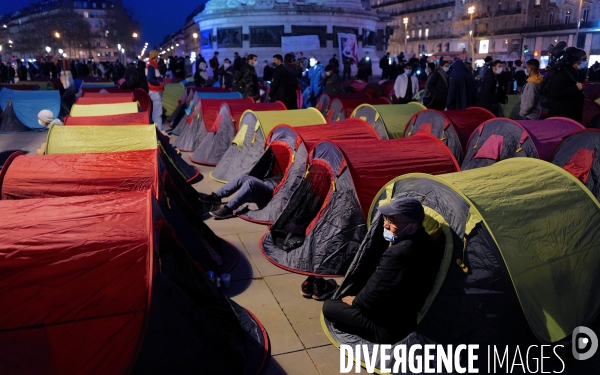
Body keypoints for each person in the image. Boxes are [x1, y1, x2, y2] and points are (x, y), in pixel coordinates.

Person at [322, 197, 443, 344]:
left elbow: (373, 294)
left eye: (392, 221)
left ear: (412, 227)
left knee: (329, 306)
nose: (385, 225)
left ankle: (371, 334)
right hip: (408, 314)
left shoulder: (397, 253)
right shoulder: (427, 242)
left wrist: (356, 301)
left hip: (386, 328)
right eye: (386, 219)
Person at [203, 173, 283, 220]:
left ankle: (228, 209)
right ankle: (217, 196)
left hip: (272, 191)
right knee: (242, 177)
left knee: (250, 183)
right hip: (268, 182)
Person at [545, 47, 586, 123]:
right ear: (575, 60)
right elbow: (555, 93)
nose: (585, 61)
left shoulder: (576, 73)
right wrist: (575, 88)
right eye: (583, 59)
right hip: (562, 116)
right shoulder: (561, 74)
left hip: (573, 114)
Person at [146, 50, 165, 132]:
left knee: (155, 112)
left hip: (154, 92)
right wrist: (158, 83)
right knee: (158, 112)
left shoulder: (151, 66)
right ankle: (160, 130)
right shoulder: (152, 67)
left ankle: (156, 130)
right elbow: (149, 78)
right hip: (155, 92)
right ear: (156, 57)